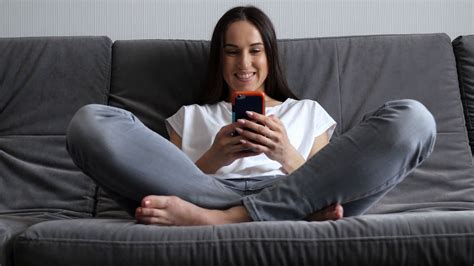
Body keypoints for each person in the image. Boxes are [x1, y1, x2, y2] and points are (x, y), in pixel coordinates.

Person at [66, 6, 436, 226]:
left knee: (414, 120)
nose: (244, 63)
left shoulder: (306, 111)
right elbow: (171, 176)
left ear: (269, 55)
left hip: (294, 195)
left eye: (255, 50)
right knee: (88, 124)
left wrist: (285, 154)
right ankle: (270, 217)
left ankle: (221, 221)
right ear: (219, 59)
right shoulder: (190, 116)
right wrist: (214, 157)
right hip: (213, 194)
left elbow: (326, 179)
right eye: (231, 52)